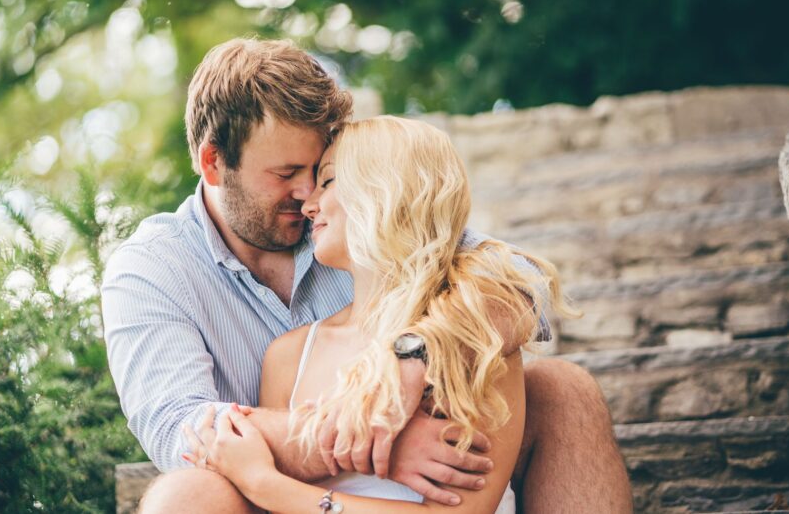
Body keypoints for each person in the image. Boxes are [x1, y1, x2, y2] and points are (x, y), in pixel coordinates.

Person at [101, 38, 633, 513]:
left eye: (320, 172)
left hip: (438, 469)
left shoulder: (364, 226)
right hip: (263, 488)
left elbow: (523, 287)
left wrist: (413, 358)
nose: (309, 195)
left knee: (563, 388)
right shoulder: (151, 269)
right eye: (286, 174)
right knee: (185, 492)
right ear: (213, 162)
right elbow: (185, 430)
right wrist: (377, 442)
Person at [184, 115, 562, 513]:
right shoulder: (289, 354)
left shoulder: (475, 339)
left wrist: (266, 484)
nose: (308, 204)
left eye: (327, 181)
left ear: (384, 190)